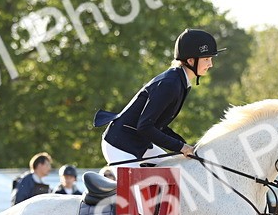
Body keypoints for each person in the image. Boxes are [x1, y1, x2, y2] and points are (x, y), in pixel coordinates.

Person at [95, 28, 224, 165]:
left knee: (177, 172)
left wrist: (188, 146)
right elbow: (145, 126)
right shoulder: (170, 84)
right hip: (119, 144)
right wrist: (181, 147)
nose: (210, 64)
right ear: (191, 61)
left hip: (139, 142)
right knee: (142, 185)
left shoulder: (180, 81)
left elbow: (159, 126)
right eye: (206, 59)